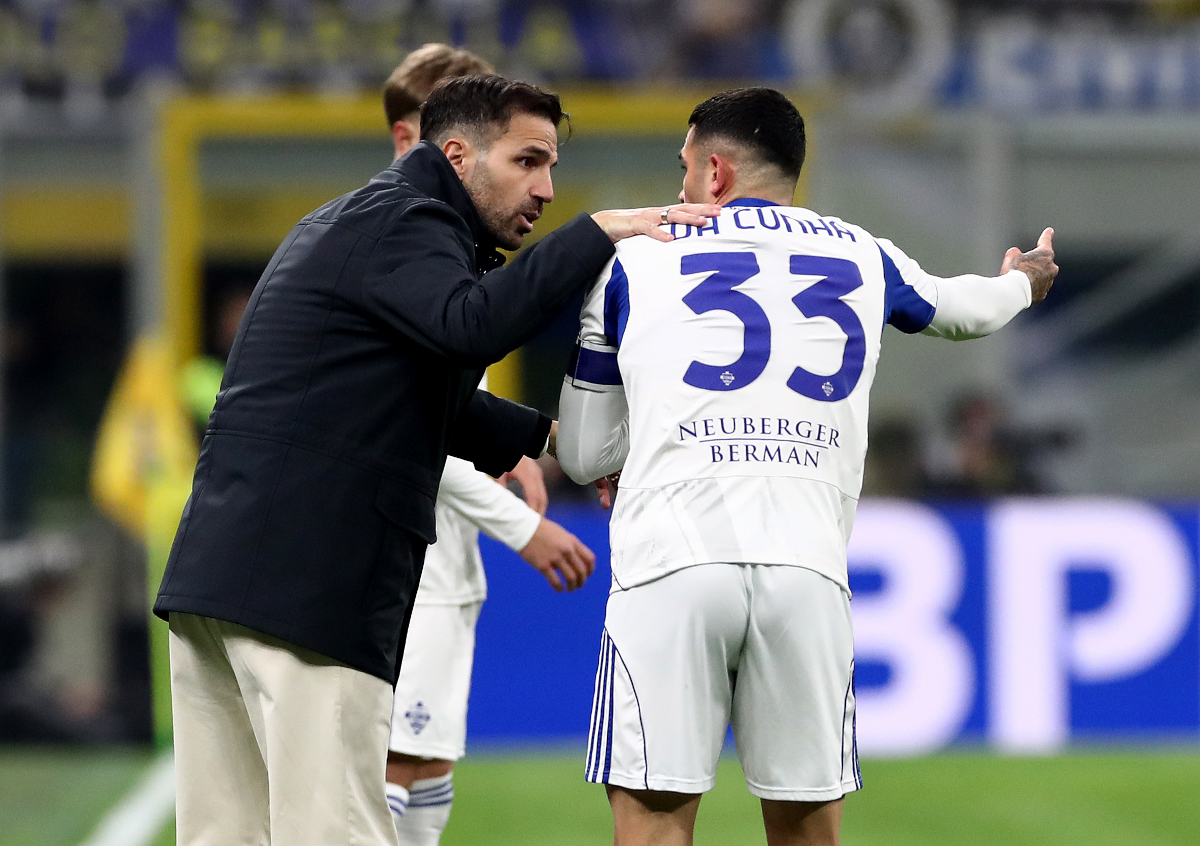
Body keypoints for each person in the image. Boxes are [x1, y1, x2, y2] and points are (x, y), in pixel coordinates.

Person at [154, 73, 719, 846]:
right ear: (457, 154)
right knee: (336, 834)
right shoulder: (407, 220)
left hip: (225, 578)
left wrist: (550, 440)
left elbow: (420, 391)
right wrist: (600, 234)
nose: (547, 187)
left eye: (551, 166)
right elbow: (470, 328)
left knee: (227, 837)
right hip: (307, 589)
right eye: (527, 161)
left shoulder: (365, 221)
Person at [555, 87, 1057, 846]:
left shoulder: (634, 260)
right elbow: (965, 309)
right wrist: (1024, 280)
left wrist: (630, 456)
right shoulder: (863, 253)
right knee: (805, 828)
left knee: (654, 820)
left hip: (673, 563)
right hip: (807, 572)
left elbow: (585, 453)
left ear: (716, 173)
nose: (680, 187)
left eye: (685, 168)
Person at [379, 45, 595, 846]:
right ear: (420, 138)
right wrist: (522, 525)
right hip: (407, 552)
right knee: (399, 763)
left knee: (427, 765)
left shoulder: (444, 242)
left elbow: (442, 400)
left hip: (446, 558)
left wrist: (519, 444)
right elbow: (397, 417)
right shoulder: (389, 238)